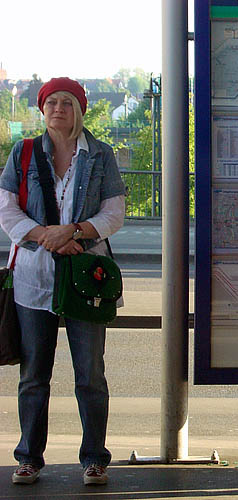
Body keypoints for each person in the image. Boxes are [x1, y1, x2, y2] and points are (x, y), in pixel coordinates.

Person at [0, 77, 125, 486]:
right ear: (41, 109)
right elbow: (7, 210)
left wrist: (71, 231)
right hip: (33, 279)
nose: (58, 109)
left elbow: (113, 214)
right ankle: (29, 458)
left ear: (80, 109)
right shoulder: (23, 152)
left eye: (67, 103)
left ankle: (94, 458)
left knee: (90, 373)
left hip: (86, 279)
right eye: (51, 102)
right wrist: (46, 236)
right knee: (34, 373)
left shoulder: (100, 155)